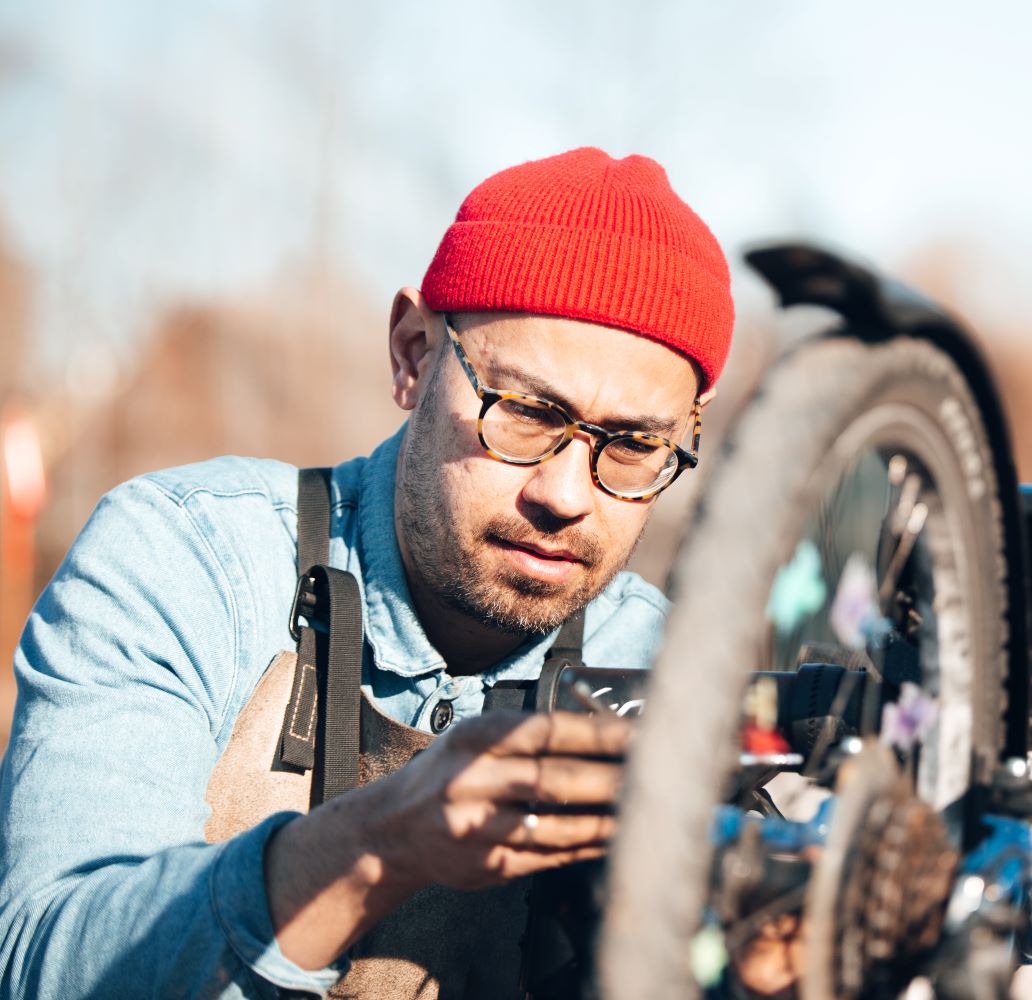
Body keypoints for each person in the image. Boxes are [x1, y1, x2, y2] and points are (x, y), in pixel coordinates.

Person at [0, 147, 734, 998]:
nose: (566, 495)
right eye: (527, 414)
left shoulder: (669, 664)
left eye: (635, 445)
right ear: (413, 354)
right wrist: (379, 843)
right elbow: (48, 964)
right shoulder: (185, 560)